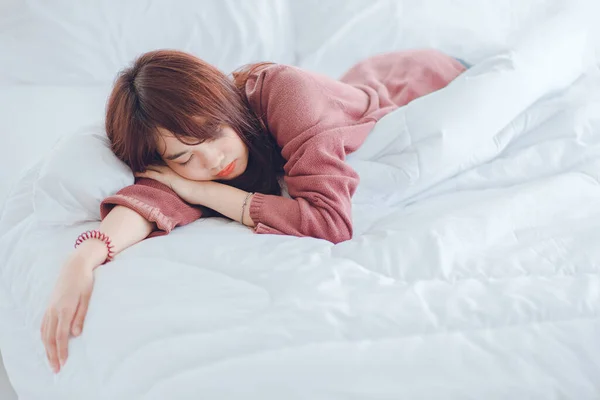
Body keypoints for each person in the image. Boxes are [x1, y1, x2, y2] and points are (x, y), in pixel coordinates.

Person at [40, 48, 467, 373]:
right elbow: (151, 199)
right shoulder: (177, 159)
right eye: (184, 159)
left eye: (211, 132)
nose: (209, 161)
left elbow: (330, 223)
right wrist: (83, 258)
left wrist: (204, 192)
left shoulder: (284, 92)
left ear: (224, 105)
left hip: (428, 80)